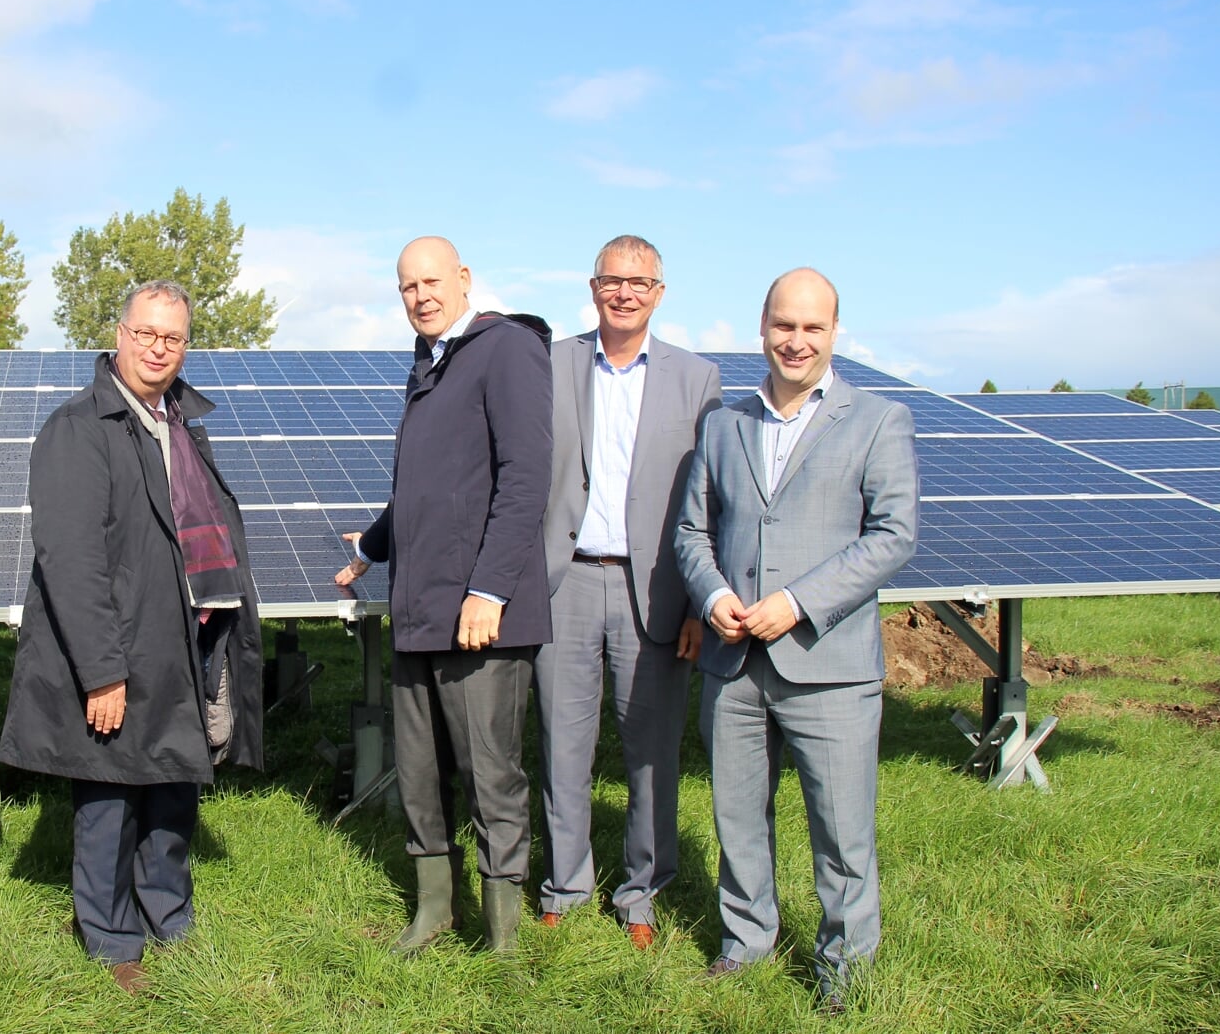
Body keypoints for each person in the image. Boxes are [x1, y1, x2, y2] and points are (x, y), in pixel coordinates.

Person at [0, 280, 264, 995]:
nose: (157, 348)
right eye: (145, 333)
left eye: (171, 337)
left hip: (184, 633)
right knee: (111, 792)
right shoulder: (79, 427)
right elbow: (71, 558)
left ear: (185, 346)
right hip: (117, 641)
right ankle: (110, 935)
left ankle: (167, 914)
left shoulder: (179, 421)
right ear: (118, 334)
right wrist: (101, 671)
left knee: (173, 783)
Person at [672, 268, 918, 1013]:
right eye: (785, 326)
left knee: (842, 833)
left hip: (829, 664)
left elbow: (895, 535)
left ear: (834, 333)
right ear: (762, 328)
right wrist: (713, 595)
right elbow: (692, 531)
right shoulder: (724, 425)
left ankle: (845, 971)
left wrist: (797, 603)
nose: (797, 341)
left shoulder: (878, 420)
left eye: (812, 328)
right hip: (734, 661)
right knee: (738, 819)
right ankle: (746, 946)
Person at [333, 236, 551, 953]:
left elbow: (524, 479)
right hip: (419, 609)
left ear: (463, 280)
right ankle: (432, 911)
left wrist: (489, 589)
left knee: (491, 773)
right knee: (420, 771)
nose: (420, 296)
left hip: (480, 616)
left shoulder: (505, 347)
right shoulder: (428, 365)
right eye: (406, 288)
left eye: (431, 282)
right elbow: (425, 491)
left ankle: (504, 935)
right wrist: (371, 547)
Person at [533, 235, 721, 943]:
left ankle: (641, 895)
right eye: (613, 280)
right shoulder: (552, 364)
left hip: (657, 591)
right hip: (567, 581)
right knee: (562, 745)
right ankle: (565, 886)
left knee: (651, 755)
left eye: (639, 282)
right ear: (592, 287)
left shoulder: (696, 380)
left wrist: (701, 602)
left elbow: (707, 499)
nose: (625, 292)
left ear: (659, 294)